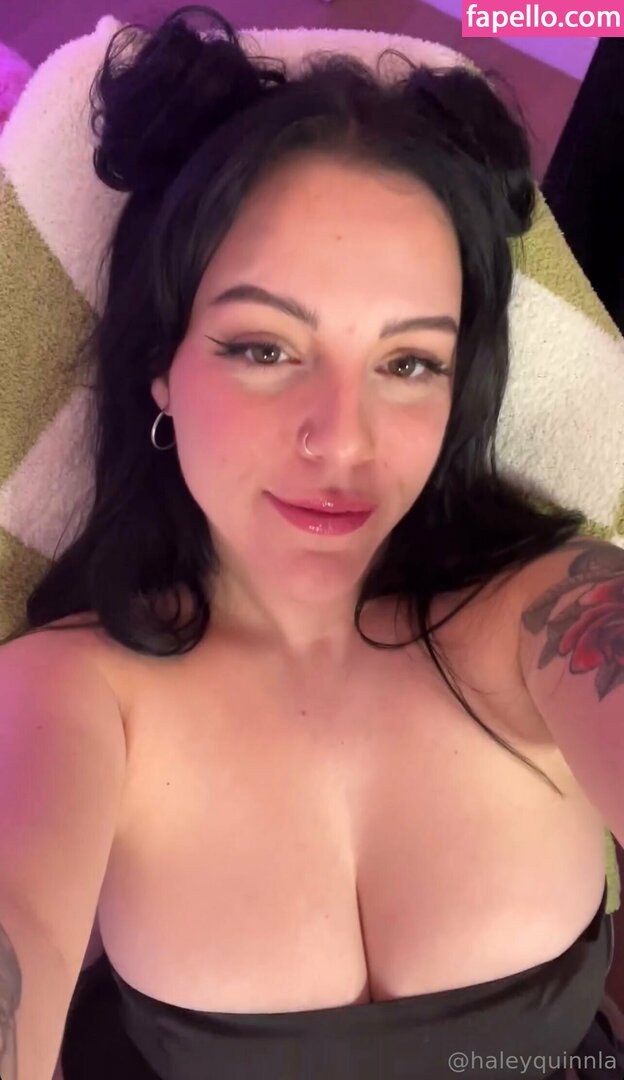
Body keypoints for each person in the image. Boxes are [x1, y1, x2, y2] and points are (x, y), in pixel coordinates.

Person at [0, 6, 622, 1079]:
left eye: (409, 363)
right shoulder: (65, 692)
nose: (342, 440)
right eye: (263, 347)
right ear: (160, 366)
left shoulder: (553, 613)